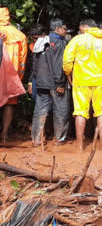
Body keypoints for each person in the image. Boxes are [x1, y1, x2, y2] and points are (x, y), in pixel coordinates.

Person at [62, 19, 102, 151]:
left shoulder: (77, 40)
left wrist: (68, 74)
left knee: (80, 112)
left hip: (81, 81)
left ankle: (79, 146)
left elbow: (67, 60)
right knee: (101, 112)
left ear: (84, 28)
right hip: (101, 82)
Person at [30, 19, 70, 145]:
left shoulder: (40, 41)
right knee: (61, 110)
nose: (65, 30)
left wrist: (35, 80)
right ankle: (59, 138)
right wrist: (60, 83)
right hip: (55, 83)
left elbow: (34, 64)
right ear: (57, 29)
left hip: (41, 82)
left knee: (40, 111)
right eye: (64, 28)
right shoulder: (59, 43)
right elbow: (59, 65)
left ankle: (36, 139)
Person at [0, 8, 28, 143]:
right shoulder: (20, 35)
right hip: (12, 77)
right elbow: (23, 61)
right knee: (9, 104)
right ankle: (4, 135)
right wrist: (19, 78)